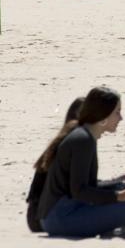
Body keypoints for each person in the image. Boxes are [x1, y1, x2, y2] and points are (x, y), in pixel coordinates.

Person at [35, 86, 125, 237]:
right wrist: (118, 196)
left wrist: (119, 184)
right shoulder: (83, 140)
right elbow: (80, 191)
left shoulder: (85, 136)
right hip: (60, 218)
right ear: (103, 115)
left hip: (58, 214)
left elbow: (84, 185)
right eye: (117, 112)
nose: (120, 118)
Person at [26, 96, 85, 232]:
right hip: (44, 218)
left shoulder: (59, 142)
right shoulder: (73, 145)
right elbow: (80, 188)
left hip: (34, 216)